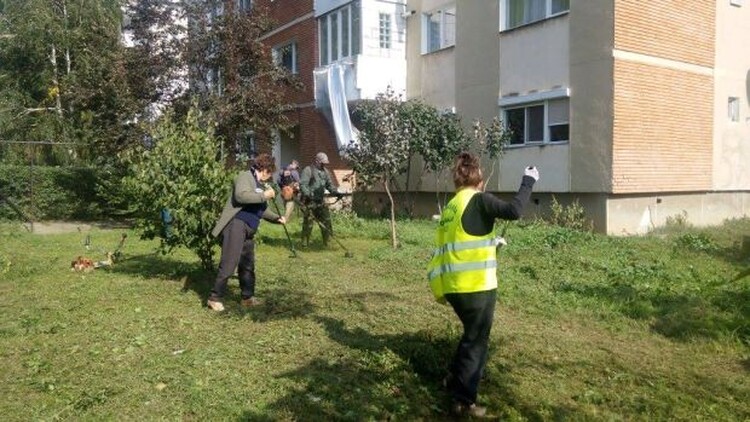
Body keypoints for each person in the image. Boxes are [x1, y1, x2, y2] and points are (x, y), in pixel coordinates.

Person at [426, 152, 538, 417]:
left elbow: (463, 239)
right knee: (477, 341)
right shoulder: (479, 200)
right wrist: (528, 181)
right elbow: (514, 211)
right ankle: (464, 401)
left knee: (470, 336)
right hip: (476, 287)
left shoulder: (453, 206)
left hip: (452, 286)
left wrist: (492, 243)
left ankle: (453, 379)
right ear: (480, 180)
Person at [207, 153, 286, 312]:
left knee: (248, 264)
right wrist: (264, 195)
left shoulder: (259, 183)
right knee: (229, 263)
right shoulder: (245, 176)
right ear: (264, 169)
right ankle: (214, 298)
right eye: (270, 173)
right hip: (236, 224)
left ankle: (247, 298)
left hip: (248, 228)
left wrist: (277, 218)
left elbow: (262, 210)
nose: (269, 177)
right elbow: (241, 196)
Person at [298, 152, 343, 246]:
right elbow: (302, 185)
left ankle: (327, 242)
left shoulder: (326, 172)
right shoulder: (308, 170)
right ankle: (304, 243)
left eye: (325, 163)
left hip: (320, 201)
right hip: (309, 201)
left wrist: (336, 193)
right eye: (323, 162)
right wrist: (308, 194)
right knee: (308, 223)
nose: (324, 164)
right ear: (317, 161)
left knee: (326, 221)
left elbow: (330, 185)